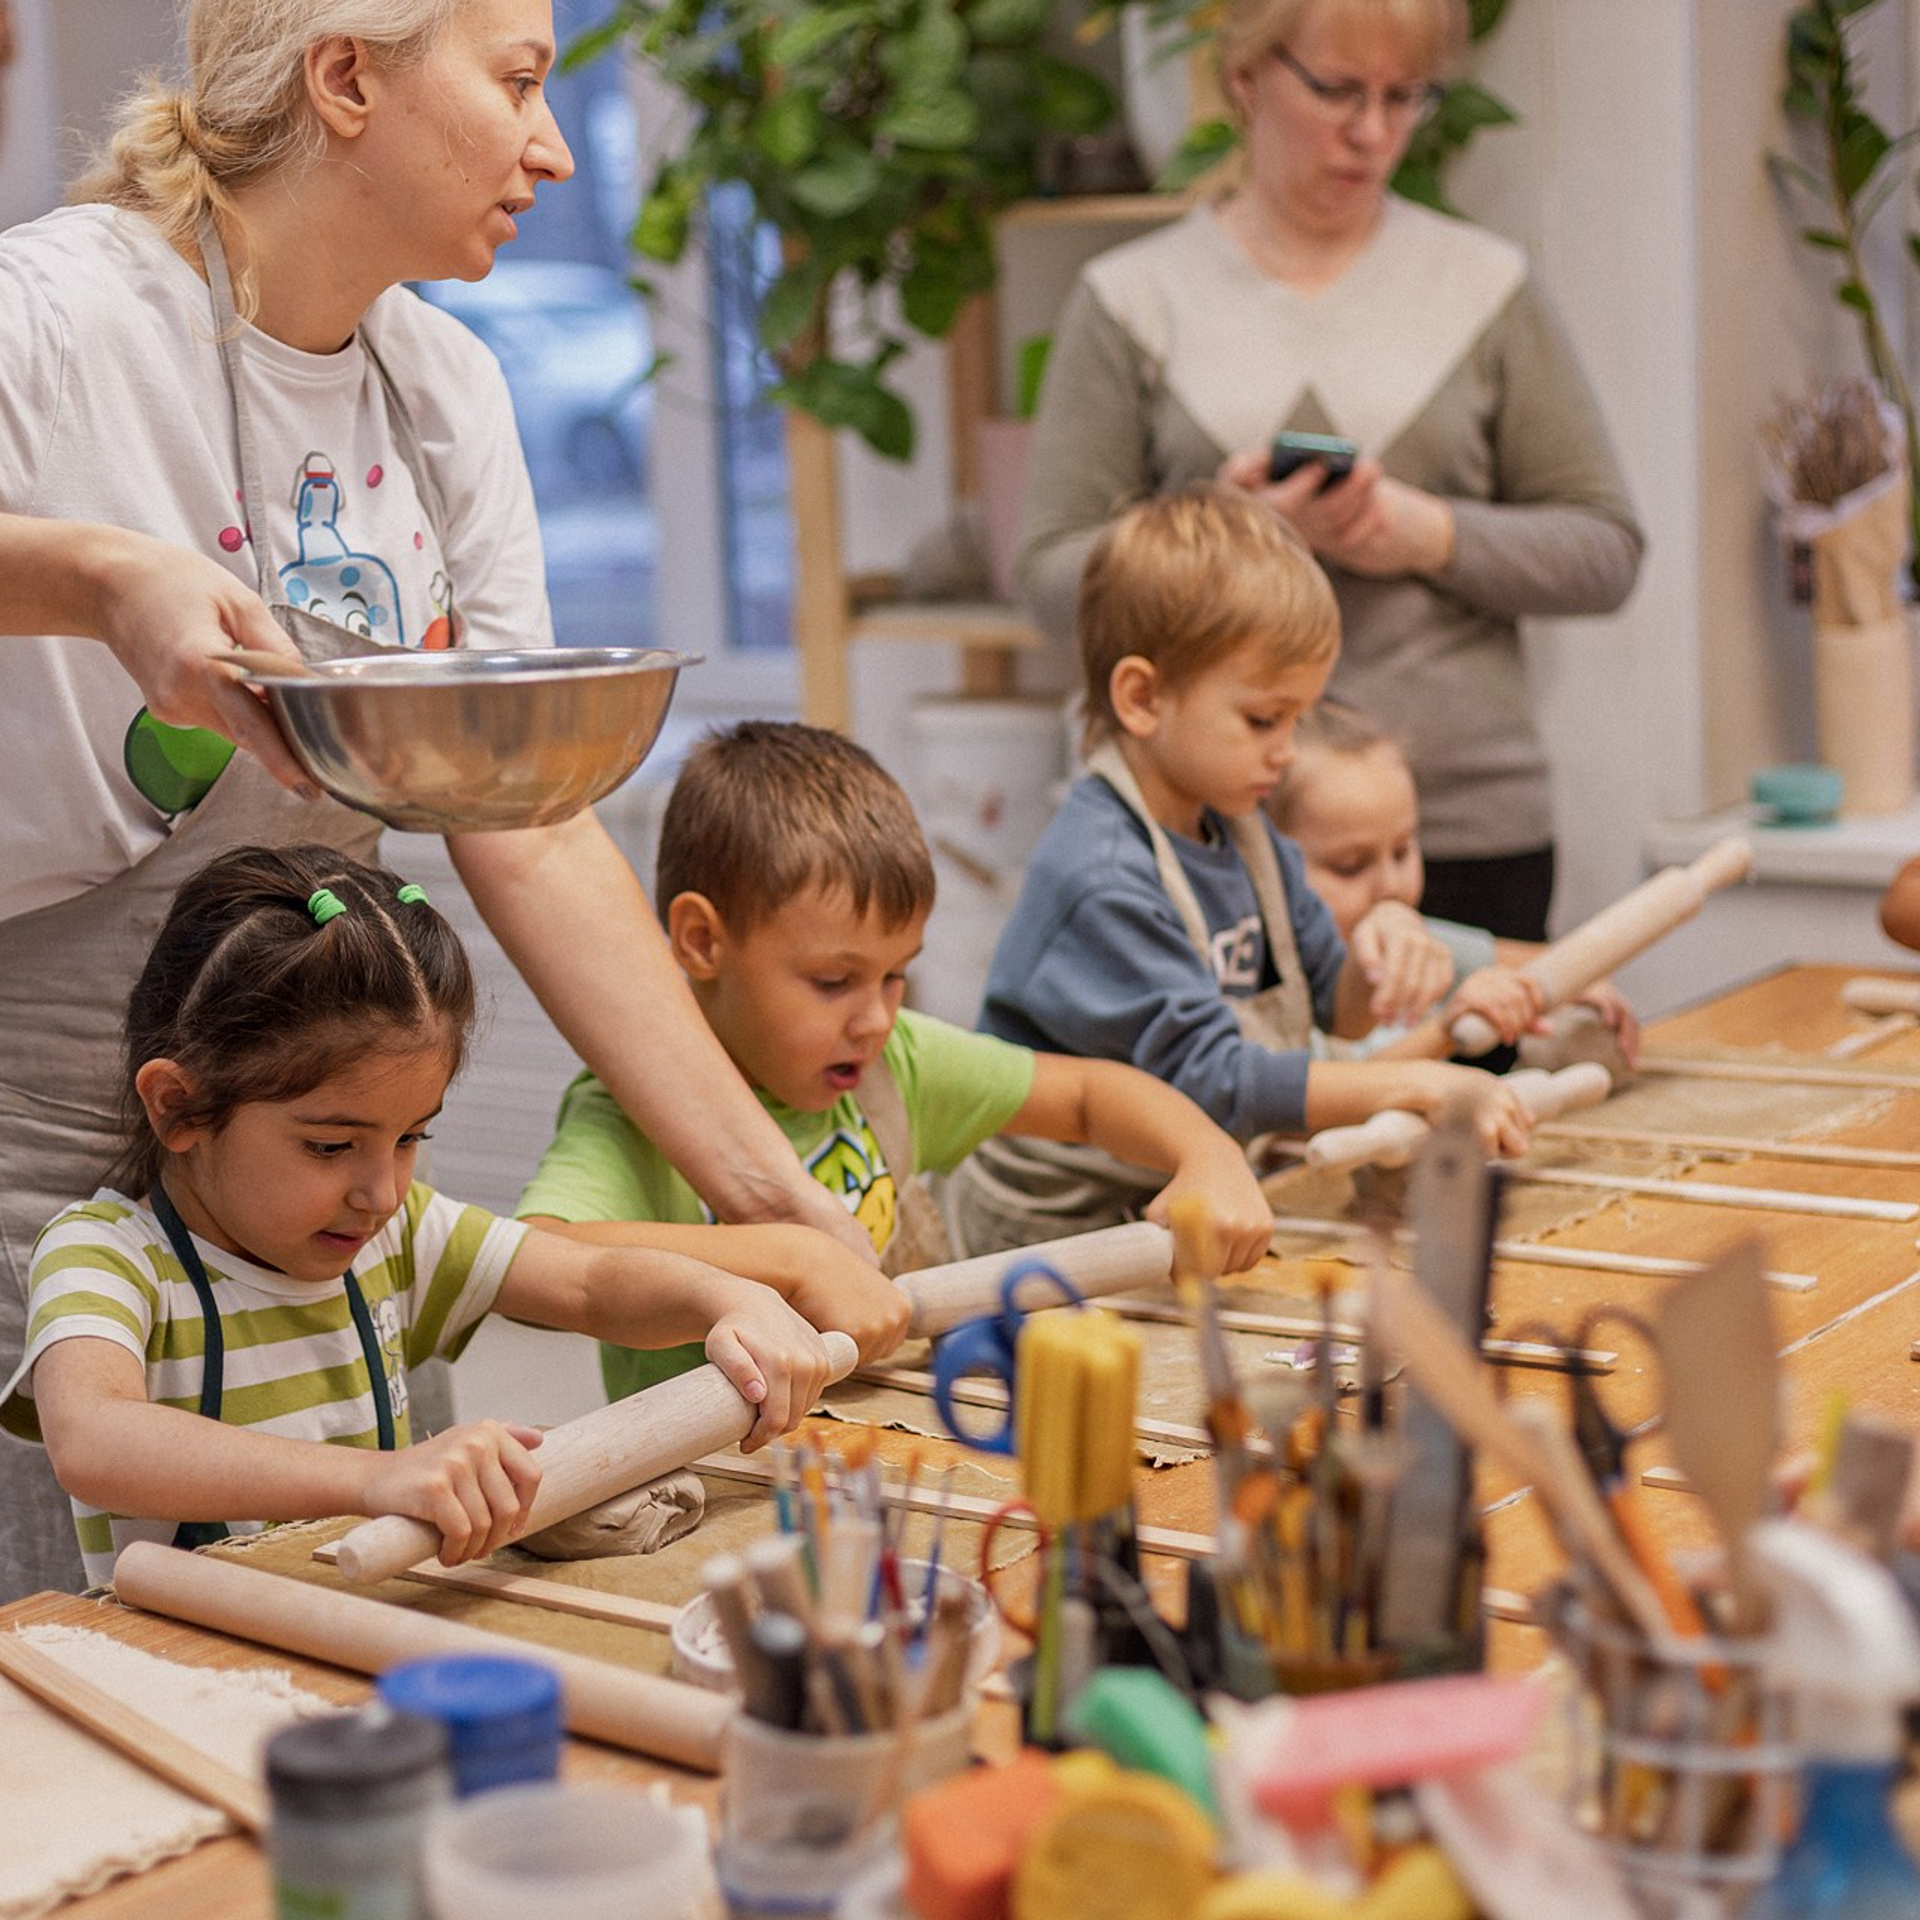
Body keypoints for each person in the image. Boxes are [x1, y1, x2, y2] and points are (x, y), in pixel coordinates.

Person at [0, 0, 877, 1602]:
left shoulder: (445, 385)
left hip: (311, 1122)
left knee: (369, 1578)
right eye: (524, 83)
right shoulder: (51, 317)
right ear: (347, 78)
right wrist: (99, 574)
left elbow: (522, 819)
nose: (553, 147)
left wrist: (779, 1200)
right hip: (33, 1136)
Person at [0, 845, 833, 1588]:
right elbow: (96, 1440)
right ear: (180, 1107)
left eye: (411, 1138)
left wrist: (727, 1299)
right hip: (182, 1684)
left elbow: (586, 1282)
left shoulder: (393, 1240)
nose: (383, 1191)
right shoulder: (107, 1257)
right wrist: (376, 1477)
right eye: (331, 1146)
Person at [1015, 0, 1643, 945]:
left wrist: (1425, 533)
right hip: (1203, 837)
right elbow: (1049, 579)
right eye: (1337, 90)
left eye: (1406, 97)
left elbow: (1605, 549)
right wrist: (1222, 539)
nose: (1373, 132)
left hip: (1450, 831)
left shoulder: (1484, 287)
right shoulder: (1134, 300)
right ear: (1244, 78)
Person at [516, 720, 1278, 1402]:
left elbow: (1084, 1095)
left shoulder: (895, 1061)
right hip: (718, 1483)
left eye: (895, 973)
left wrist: (1205, 1153)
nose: (877, 1018)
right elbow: (533, 1261)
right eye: (833, 982)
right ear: (703, 942)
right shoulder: (631, 1115)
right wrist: (785, 1256)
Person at [955, 485, 1533, 1255]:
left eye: (1297, 718)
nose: (1287, 749)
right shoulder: (1101, 873)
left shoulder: (1242, 827)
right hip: (1052, 1232)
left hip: (1178, 1199)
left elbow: (1339, 1009)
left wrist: (1380, 950)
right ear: (1142, 697)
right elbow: (1218, 1085)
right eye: (1263, 719)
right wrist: (1418, 1082)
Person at [1269, 701, 1640, 1063]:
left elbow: (1533, 963)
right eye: (1349, 867)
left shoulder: (1414, 940)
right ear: (1265, 863)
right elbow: (1326, 1099)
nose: (1390, 886)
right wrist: (1447, 1031)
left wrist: (1576, 981)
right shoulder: (1271, 981)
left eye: (1402, 852)